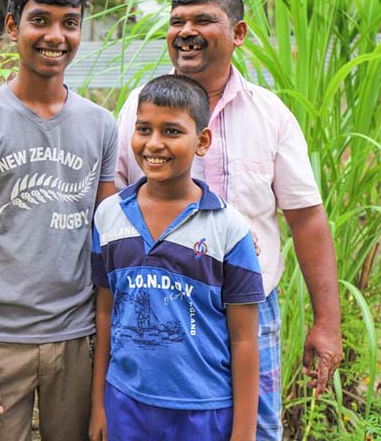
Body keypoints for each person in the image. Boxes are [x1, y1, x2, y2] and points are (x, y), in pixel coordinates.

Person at [114, 0, 342, 440]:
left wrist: (327, 323)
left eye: (202, 20)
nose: (186, 30)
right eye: (177, 21)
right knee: (163, 422)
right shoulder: (139, 111)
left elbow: (306, 217)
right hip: (162, 308)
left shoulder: (269, 114)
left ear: (237, 32)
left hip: (252, 310)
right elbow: (114, 205)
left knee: (254, 429)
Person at [0, 0, 118, 441]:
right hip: (1, 343)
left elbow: (105, 242)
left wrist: (103, 360)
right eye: (40, 20)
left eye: (70, 22)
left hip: (77, 339)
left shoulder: (101, 126)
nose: (55, 36)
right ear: (12, 25)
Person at [90, 74, 265, 441]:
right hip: (126, 404)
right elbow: (105, 313)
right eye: (144, 129)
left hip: (204, 412)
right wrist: (99, 406)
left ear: (201, 141)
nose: (154, 143)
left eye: (171, 131)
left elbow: (245, 339)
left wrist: (245, 433)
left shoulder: (229, 228)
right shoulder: (109, 217)